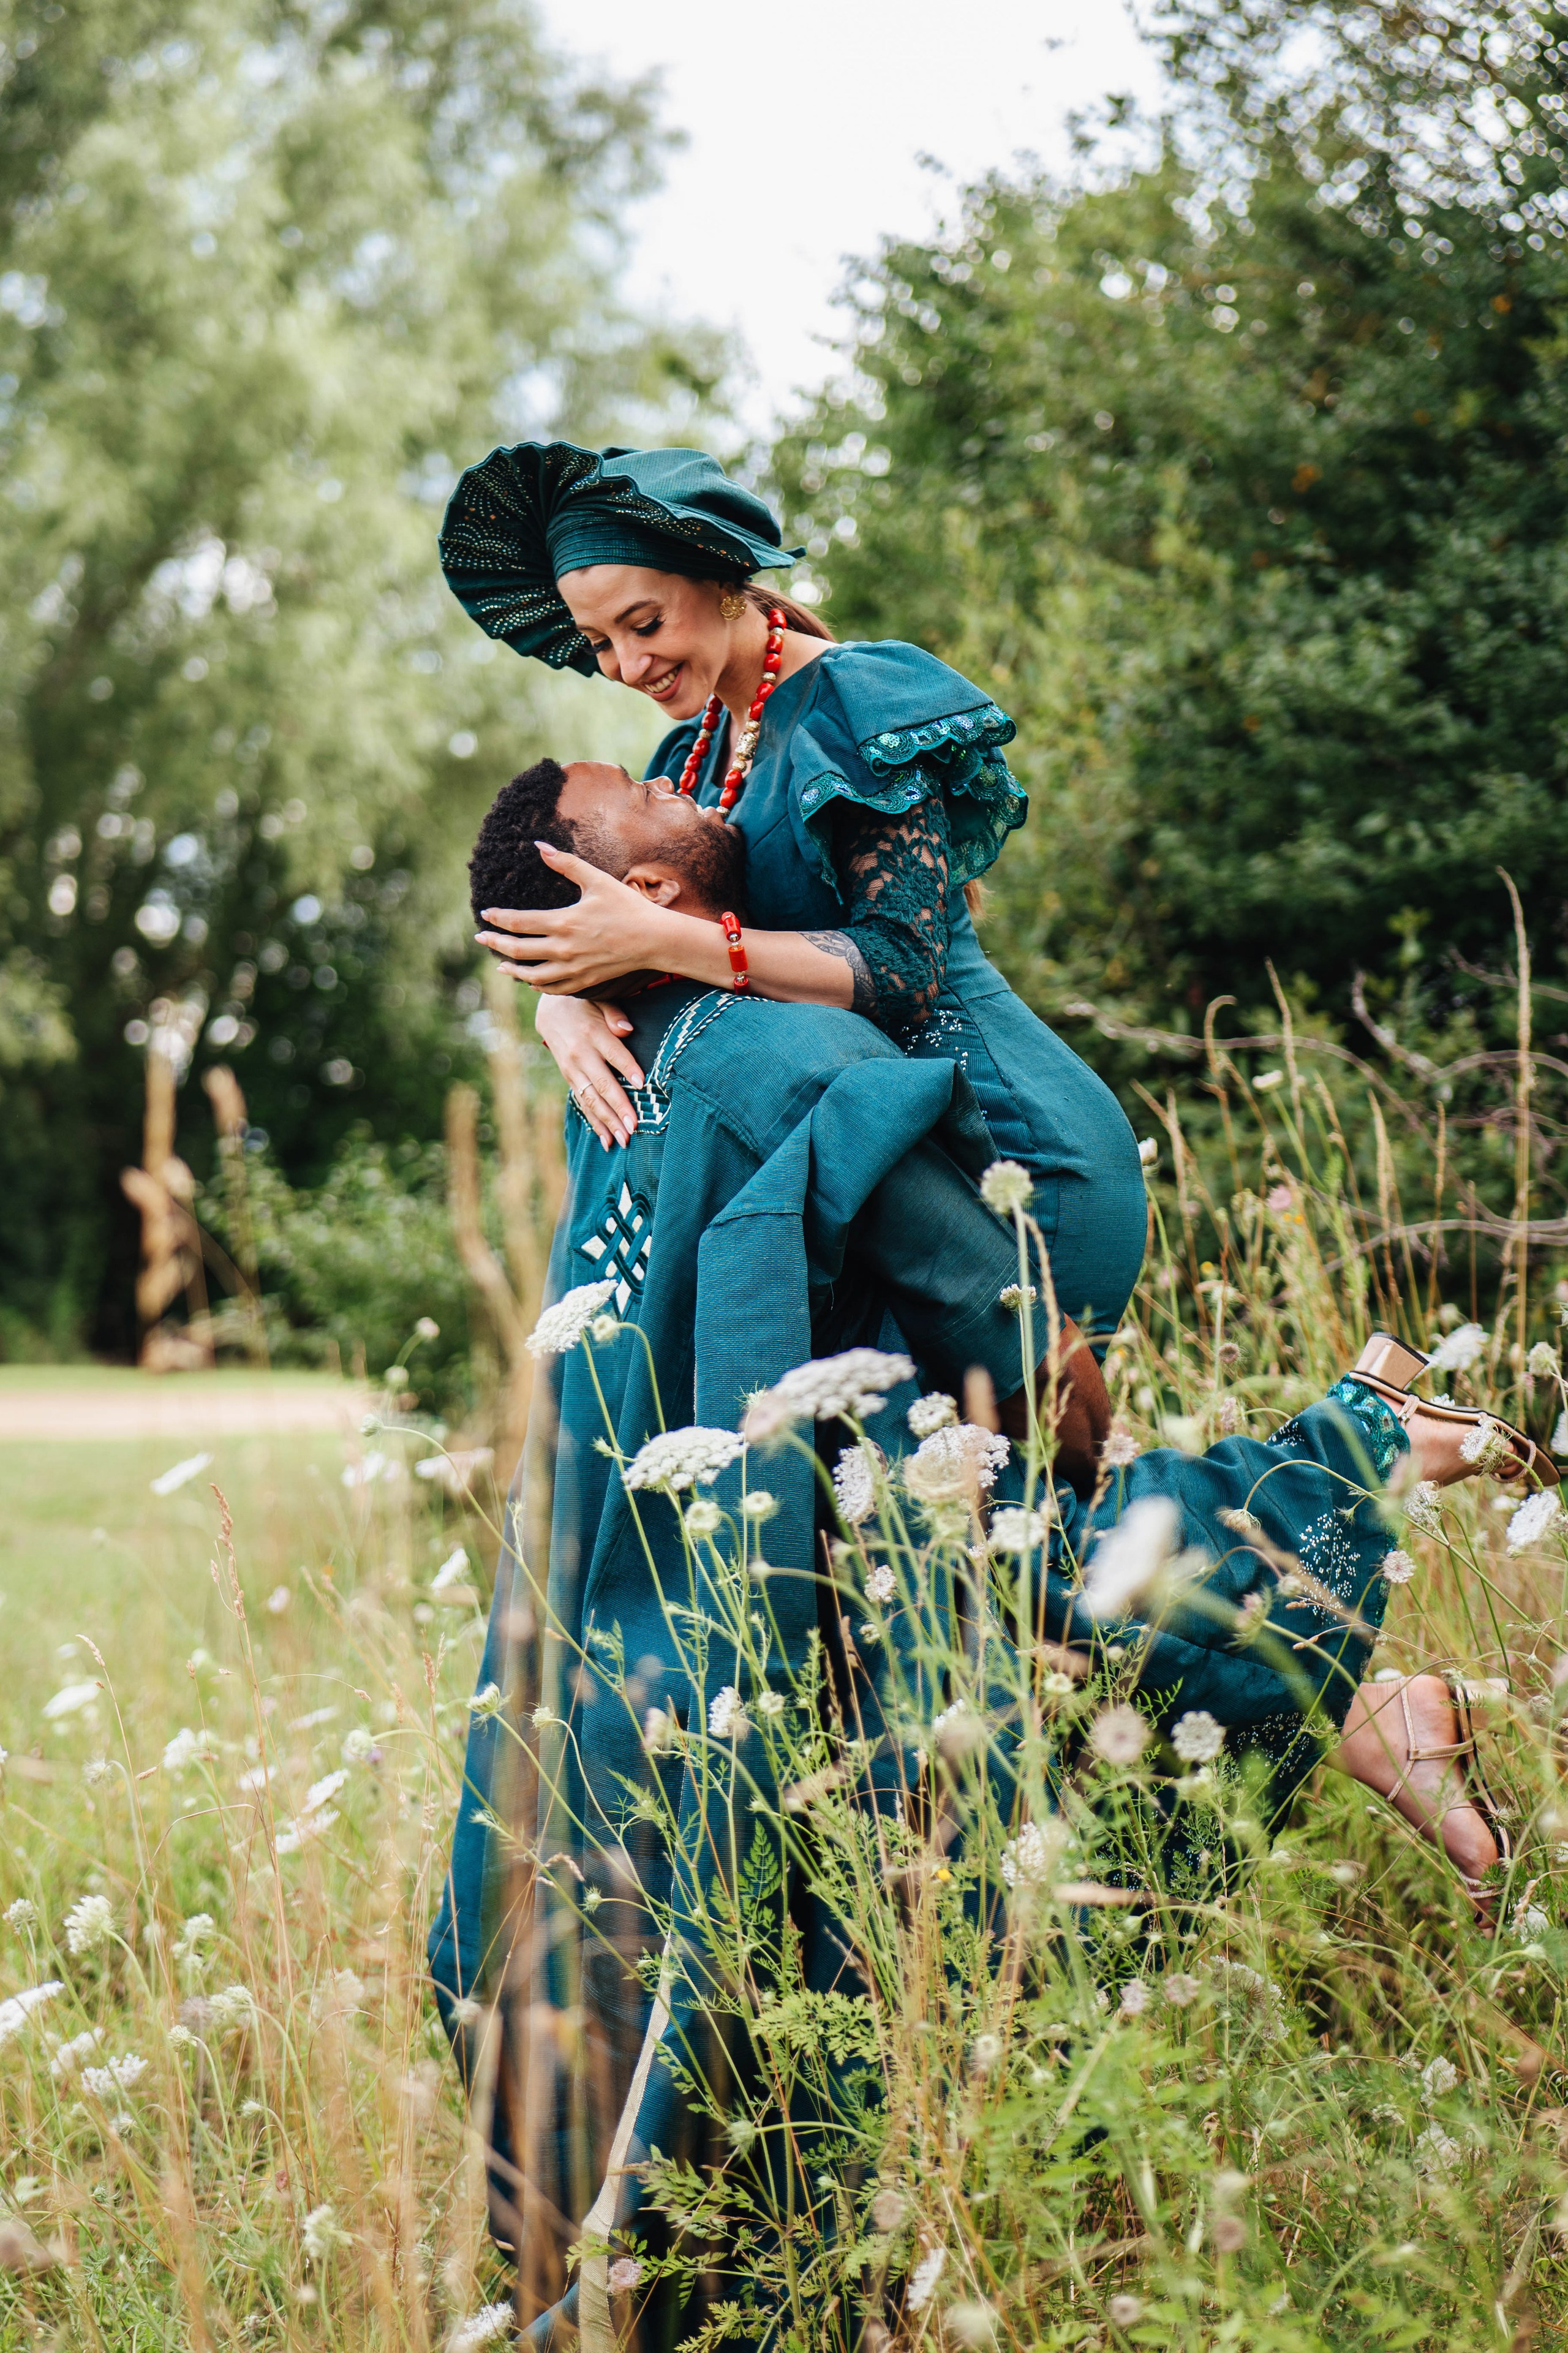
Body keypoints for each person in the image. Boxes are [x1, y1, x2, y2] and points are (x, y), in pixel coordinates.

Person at [429, 756, 1532, 2347]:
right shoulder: (744, 1050)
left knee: (784, 1821)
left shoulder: (644, 1062)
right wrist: (1055, 1372)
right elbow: (983, 1293)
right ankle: (1368, 1507)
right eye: (636, 795)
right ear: (635, 891)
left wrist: (565, 989)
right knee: (920, 1752)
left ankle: (1365, 1495)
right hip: (720, 1552)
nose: (675, 780)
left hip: (661, 1571)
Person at [438, 439, 1148, 1352]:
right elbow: (633, 920)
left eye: (644, 624)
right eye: (600, 643)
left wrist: (660, 943)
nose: (626, 665)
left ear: (723, 579)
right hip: (882, 1173)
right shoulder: (686, 756)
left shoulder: (857, 706)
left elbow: (902, 970)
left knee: (1011, 1440)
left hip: (1014, 1157)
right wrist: (566, 998)